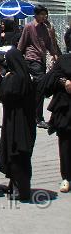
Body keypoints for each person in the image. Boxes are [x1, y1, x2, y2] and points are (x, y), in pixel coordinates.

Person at [0, 48, 36, 201]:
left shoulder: (16, 78)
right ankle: (14, 185)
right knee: (17, 154)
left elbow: (4, 94)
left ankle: (19, 190)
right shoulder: (24, 77)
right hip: (21, 123)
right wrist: (1, 77)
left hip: (17, 124)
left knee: (16, 154)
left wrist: (1, 78)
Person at [18, 4, 59, 128]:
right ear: (35, 15)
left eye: (45, 14)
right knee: (41, 87)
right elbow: (22, 43)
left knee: (37, 90)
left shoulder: (45, 28)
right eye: (41, 14)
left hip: (40, 61)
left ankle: (34, 116)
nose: (44, 16)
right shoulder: (29, 27)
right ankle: (38, 118)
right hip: (31, 60)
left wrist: (55, 55)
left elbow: (49, 44)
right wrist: (16, 59)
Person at [39, 52, 71, 193]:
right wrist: (64, 81)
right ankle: (66, 178)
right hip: (65, 109)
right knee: (65, 144)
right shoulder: (64, 60)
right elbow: (50, 79)